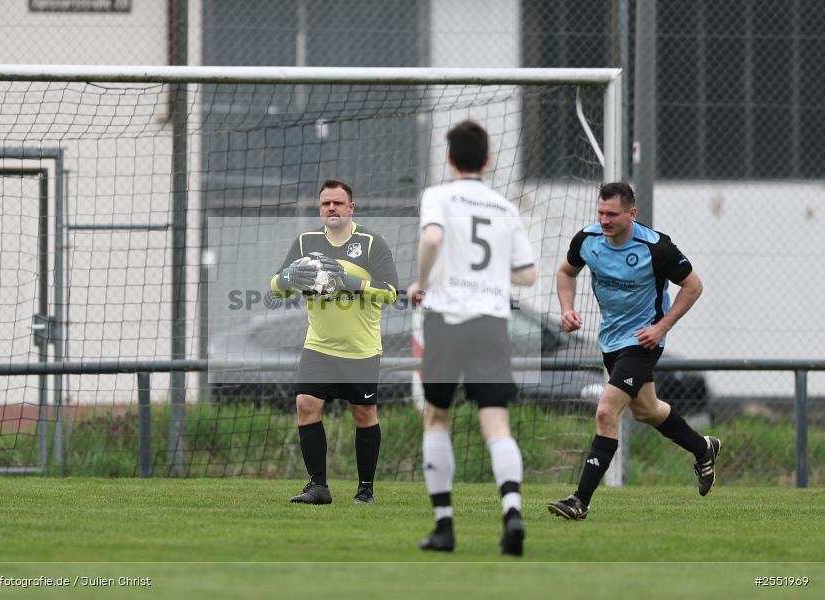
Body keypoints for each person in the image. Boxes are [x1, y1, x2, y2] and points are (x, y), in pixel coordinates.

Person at [547, 181, 719, 521]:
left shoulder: (657, 248)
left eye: (612, 214)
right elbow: (566, 272)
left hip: (642, 342)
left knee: (606, 412)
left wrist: (661, 327)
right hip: (611, 341)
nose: (605, 220)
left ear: (632, 213)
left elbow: (693, 285)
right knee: (647, 410)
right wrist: (566, 308)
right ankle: (704, 448)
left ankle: (580, 500)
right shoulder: (587, 240)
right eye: (601, 212)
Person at [407, 121, 537, 557]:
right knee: (496, 420)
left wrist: (421, 282)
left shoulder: (438, 196)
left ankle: (444, 525)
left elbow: (432, 238)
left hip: (446, 317)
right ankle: (512, 511)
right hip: (491, 321)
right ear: (487, 159)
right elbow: (529, 274)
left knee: (437, 417)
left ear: (449, 158)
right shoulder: (504, 207)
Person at [271, 179, 399, 505]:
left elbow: (390, 293)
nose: (331, 208)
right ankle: (318, 487)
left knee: (363, 414)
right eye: (326, 203)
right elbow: (277, 286)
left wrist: (349, 281)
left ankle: (365, 489)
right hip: (319, 345)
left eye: (338, 203)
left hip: (361, 348)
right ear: (320, 208)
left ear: (351, 208)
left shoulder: (371, 243)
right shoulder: (305, 243)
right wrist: (287, 278)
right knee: (305, 404)